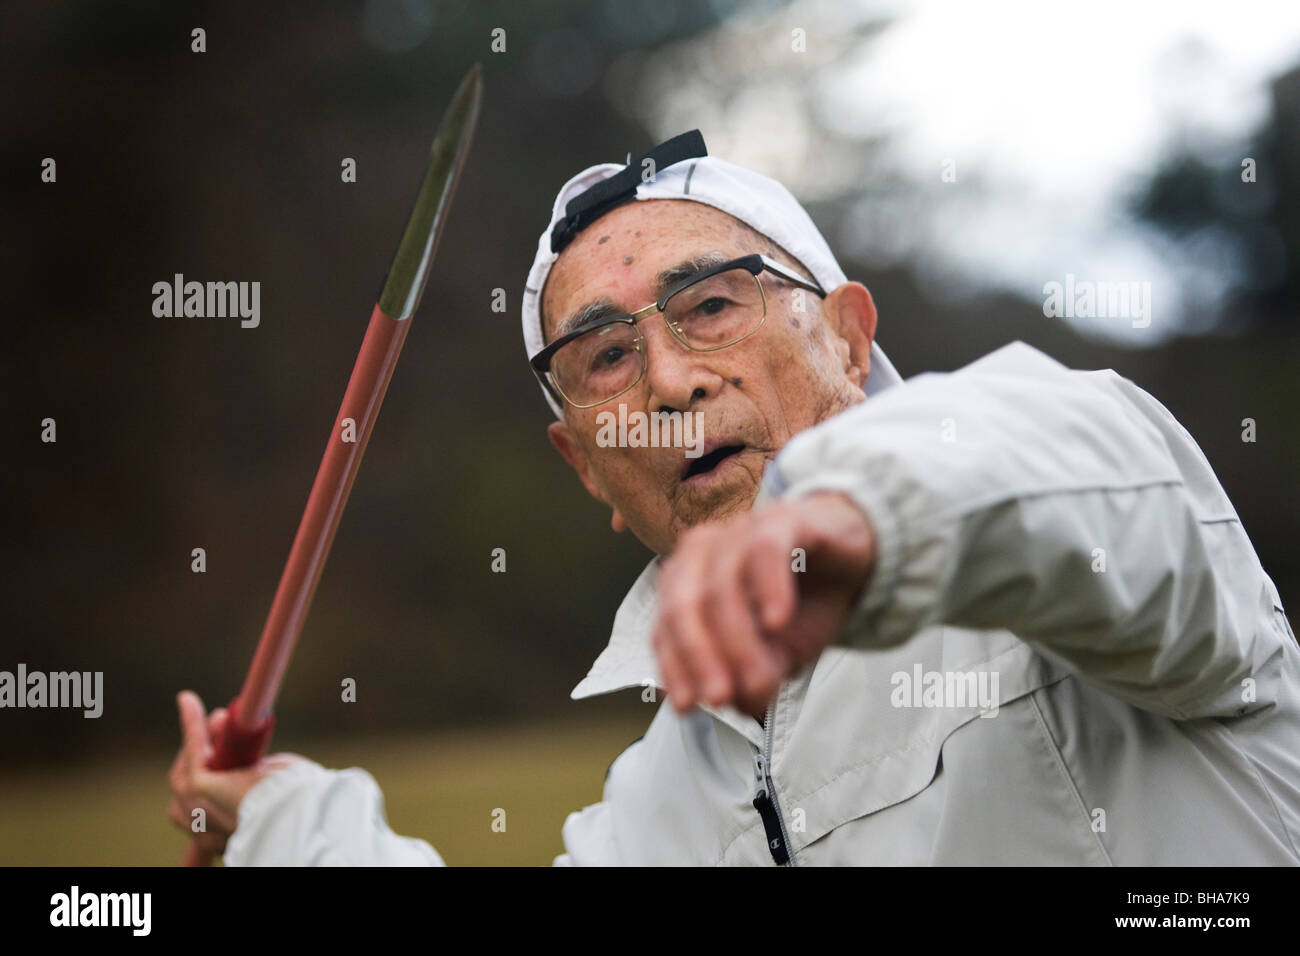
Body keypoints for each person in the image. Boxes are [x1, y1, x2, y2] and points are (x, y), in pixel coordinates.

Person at [169, 131, 1300, 865]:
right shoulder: (655, 798)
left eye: (711, 303)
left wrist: (851, 517)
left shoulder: (1071, 530)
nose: (668, 379)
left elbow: (1075, 470)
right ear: (586, 464)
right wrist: (275, 821)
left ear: (851, 335)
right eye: (604, 356)